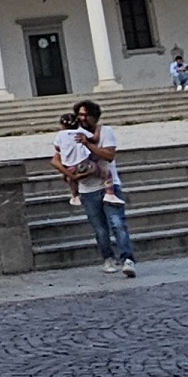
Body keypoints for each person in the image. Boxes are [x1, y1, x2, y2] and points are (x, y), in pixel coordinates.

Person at [55, 102, 135, 276]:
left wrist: (87, 144)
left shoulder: (105, 132)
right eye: (80, 115)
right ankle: (108, 258)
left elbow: (109, 156)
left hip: (109, 185)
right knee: (100, 229)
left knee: (118, 224)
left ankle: (127, 260)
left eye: (86, 115)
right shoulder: (70, 135)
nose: (83, 118)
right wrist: (72, 176)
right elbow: (55, 159)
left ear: (95, 116)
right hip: (87, 189)